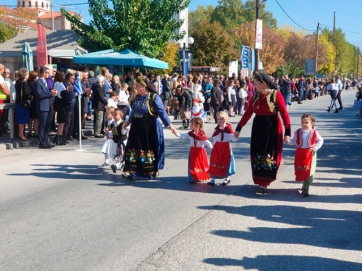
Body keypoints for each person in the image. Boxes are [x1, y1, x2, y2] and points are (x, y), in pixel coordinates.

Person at [234, 71, 291, 194]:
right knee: (257, 152)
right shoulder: (256, 95)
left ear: (263, 83)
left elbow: (284, 114)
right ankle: (260, 180)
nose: (254, 84)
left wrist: (288, 132)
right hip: (258, 127)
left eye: (256, 82)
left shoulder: (276, 95)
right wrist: (239, 128)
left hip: (272, 127)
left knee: (269, 153)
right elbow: (248, 113)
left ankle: (265, 183)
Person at [121, 75, 177, 180]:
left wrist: (171, 126)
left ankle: (149, 171)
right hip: (137, 127)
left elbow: (162, 112)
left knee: (148, 148)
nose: (135, 88)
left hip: (149, 126)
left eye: (137, 86)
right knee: (134, 147)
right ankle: (133, 171)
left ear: (143, 86)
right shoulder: (137, 98)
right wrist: (127, 123)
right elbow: (133, 112)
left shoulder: (154, 97)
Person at [286, 114, 324, 197]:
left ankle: (306, 188)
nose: (304, 124)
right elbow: (294, 141)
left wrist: (314, 148)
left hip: (310, 154)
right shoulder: (298, 132)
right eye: (302, 122)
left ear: (312, 123)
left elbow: (320, 141)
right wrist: (288, 141)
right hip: (300, 154)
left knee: (310, 171)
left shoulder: (314, 132)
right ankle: (304, 184)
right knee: (302, 170)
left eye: (306, 122)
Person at [176, 117, 213, 183]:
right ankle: (192, 177)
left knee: (201, 164)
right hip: (193, 151)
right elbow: (182, 135)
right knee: (192, 164)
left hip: (200, 152)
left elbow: (208, 143)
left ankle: (200, 176)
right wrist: (175, 132)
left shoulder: (202, 135)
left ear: (197, 125)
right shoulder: (190, 134)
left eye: (192, 124)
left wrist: (212, 149)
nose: (190, 125)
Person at [207, 111, 237, 187]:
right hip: (217, 148)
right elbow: (215, 139)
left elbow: (234, 139)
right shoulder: (216, 129)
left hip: (226, 148)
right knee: (215, 162)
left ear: (226, 119)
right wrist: (214, 149)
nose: (220, 121)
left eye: (222, 119)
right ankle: (213, 179)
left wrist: (235, 134)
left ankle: (227, 177)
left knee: (226, 162)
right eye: (218, 119)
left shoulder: (228, 129)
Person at [34, 66, 57, 149]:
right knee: (42, 125)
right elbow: (40, 95)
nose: (48, 75)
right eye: (47, 73)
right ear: (43, 73)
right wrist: (51, 93)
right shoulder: (38, 82)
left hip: (48, 105)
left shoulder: (45, 82)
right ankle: (41, 142)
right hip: (42, 106)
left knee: (47, 125)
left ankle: (46, 141)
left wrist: (51, 93)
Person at [110, 108, 130, 174]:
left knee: (121, 154)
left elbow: (125, 130)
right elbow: (111, 131)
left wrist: (125, 128)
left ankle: (117, 166)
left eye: (116, 115)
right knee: (117, 154)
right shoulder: (113, 123)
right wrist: (108, 133)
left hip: (122, 142)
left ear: (121, 116)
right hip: (116, 141)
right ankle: (120, 165)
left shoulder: (123, 123)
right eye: (113, 115)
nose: (114, 116)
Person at [15, 68, 32, 141]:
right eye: (27, 74)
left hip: (19, 102)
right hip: (23, 103)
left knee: (21, 119)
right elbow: (26, 94)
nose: (28, 75)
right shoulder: (24, 82)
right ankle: (21, 134)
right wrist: (31, 97)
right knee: (22, 119)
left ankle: (21, 133)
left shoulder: (18, 82)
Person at [27, 71, 39, 138]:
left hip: (29, 101)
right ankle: (35, 132)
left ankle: (29, 132)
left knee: (30, 118)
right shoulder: (35, 83)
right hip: (35, 101)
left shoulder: (27, 82)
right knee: (36, 119)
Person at [0, 63, 11, 136]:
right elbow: (3, 87)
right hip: (1, 99)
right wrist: (10, 94)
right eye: (4, 69)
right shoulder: (0, 77)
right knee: (1, 116)